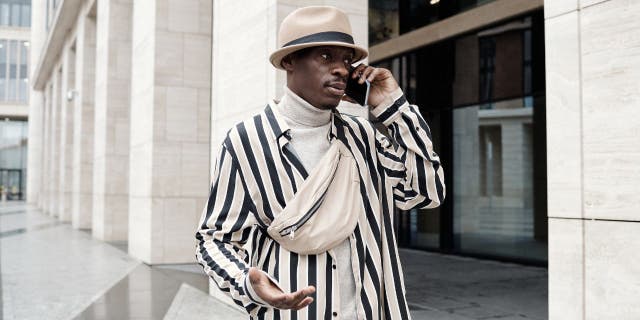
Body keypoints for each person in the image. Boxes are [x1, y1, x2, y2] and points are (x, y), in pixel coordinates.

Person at [196, 6, 445, 320]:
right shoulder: (247, 142)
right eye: (326, 56)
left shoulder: (364, 136)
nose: (341, 69)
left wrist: (394, 108)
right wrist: (246, 281)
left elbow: (426, 192)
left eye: (346, 60)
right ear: (289, 61)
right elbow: (213, 240)